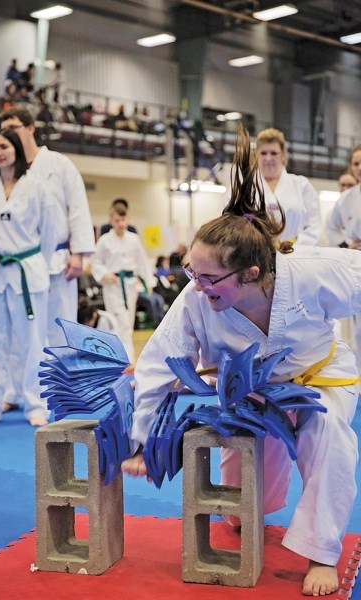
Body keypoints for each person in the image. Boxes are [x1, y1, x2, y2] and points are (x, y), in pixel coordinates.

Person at [121, 125, 360, 597]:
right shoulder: (194, 297)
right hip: (250, 385)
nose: (198, 285)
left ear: (253, 273)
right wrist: (142, 441)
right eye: (193, 271)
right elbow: (157, 364)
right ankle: (246, 508)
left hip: (322, 374)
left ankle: (321, 552)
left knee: (328, 432)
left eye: (211, 277)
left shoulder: (311, 271)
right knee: (243, 477)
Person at [0, 128, 57, 428]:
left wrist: (34, 262)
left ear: (17, 150)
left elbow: (49, 233)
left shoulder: (36, 188)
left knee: (32, 340)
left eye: (4, 146)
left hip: (27, 271)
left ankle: (35, 404)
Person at [0, 107, 96, 346]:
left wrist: (78, 254)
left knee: (59, 326)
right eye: (4, 132)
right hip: (23, 262)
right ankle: (33, 382)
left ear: (30, 127)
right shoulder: (11, 171)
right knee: (26, 329)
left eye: (13, 128)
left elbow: (78, 209)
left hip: (59, 261)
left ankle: (61, 382)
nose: (8, 135)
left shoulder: (59, 164)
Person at [91, 204, 153, 363]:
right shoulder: (104, 241)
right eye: (117, 220)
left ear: (128, 220)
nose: (120, 223)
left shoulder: (133, 239)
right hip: (112, 285)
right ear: (111, 221)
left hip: (130, 284)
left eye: (123, 219)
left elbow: (142, 262)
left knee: (128, 321)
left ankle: (124, 358)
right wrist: (105, 274)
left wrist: (148, 282)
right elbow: (95, 262)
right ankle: (124, 358)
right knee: (118, 321)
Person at [325, 144, 361, 369]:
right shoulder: (347, 199)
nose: (360, 167)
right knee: (358, 329)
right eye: (356, 163)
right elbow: (331, 229)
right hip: (356, 267)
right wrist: (345, 246)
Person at [254, 127, 321, 245]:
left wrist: (293, 247)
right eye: (263, 153)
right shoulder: (244, 186)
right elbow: (231, 220)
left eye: (274, 153)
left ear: (283, 155)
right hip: (254, 252)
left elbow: (314, 225)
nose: (268, 158)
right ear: (257, 155)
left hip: (295, 253)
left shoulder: (301, 185)